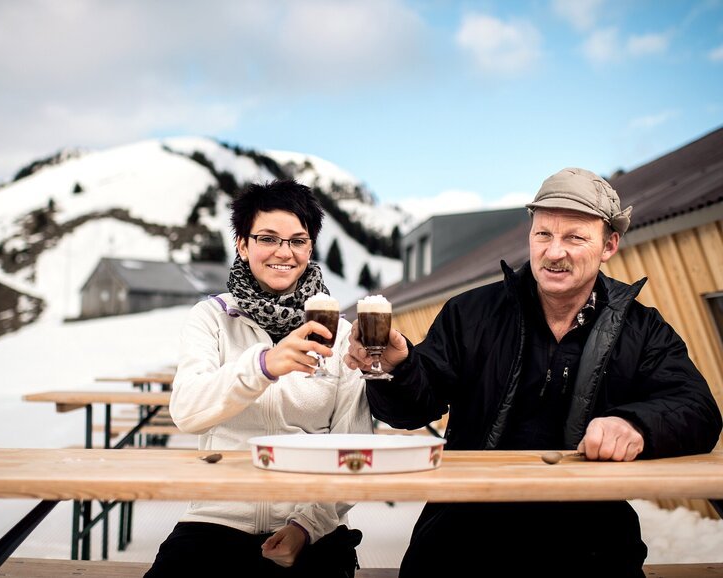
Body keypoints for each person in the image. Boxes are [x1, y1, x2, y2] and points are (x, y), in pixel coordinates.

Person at [345, 167, 723, 577]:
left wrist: (636, 425)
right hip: (463, 538)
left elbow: (698, 409)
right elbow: (413, 409)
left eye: (575, 237)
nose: (554, 251)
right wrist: (397, 369)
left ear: (609, 244)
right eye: (544, 234)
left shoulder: (642, 328)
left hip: (590, 543)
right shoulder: (469, 313)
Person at [146, 179, 372, 577]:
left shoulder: (339, 334)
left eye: (297, 241)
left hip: (313, 528)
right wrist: (263, 366)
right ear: (242, 244)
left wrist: (307, 525)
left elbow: (355, 449)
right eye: (268, 238)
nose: (284, 253)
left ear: (310, 248)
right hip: (215, 520)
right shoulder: (211, 318)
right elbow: (187, 411)